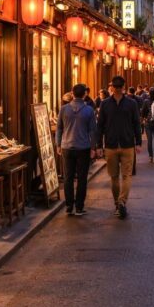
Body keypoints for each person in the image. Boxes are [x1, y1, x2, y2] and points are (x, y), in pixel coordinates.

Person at [97, 76, 142, 219]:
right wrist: (138, 142)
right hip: (127, 144)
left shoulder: (105, 104)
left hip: (111, 145)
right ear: (123, 87)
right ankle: (122, 202)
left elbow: (100, 126)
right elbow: (137, 123)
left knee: (114, 177)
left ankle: (118, 204)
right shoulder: (131, 103)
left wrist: (99, 145)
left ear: (112, 87)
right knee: (127, 175)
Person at [56, 84, 98, 216]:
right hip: (83, 147)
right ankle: (79, 207)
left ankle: (69, 206)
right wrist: (93, 147)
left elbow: (59, 128)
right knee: (82, 177)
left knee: (68, 177)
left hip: (67, 146)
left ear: (72, 94)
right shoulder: (89, 110)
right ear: (84, 94)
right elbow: (93, 130)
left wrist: (58, 144)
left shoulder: (64, 109)